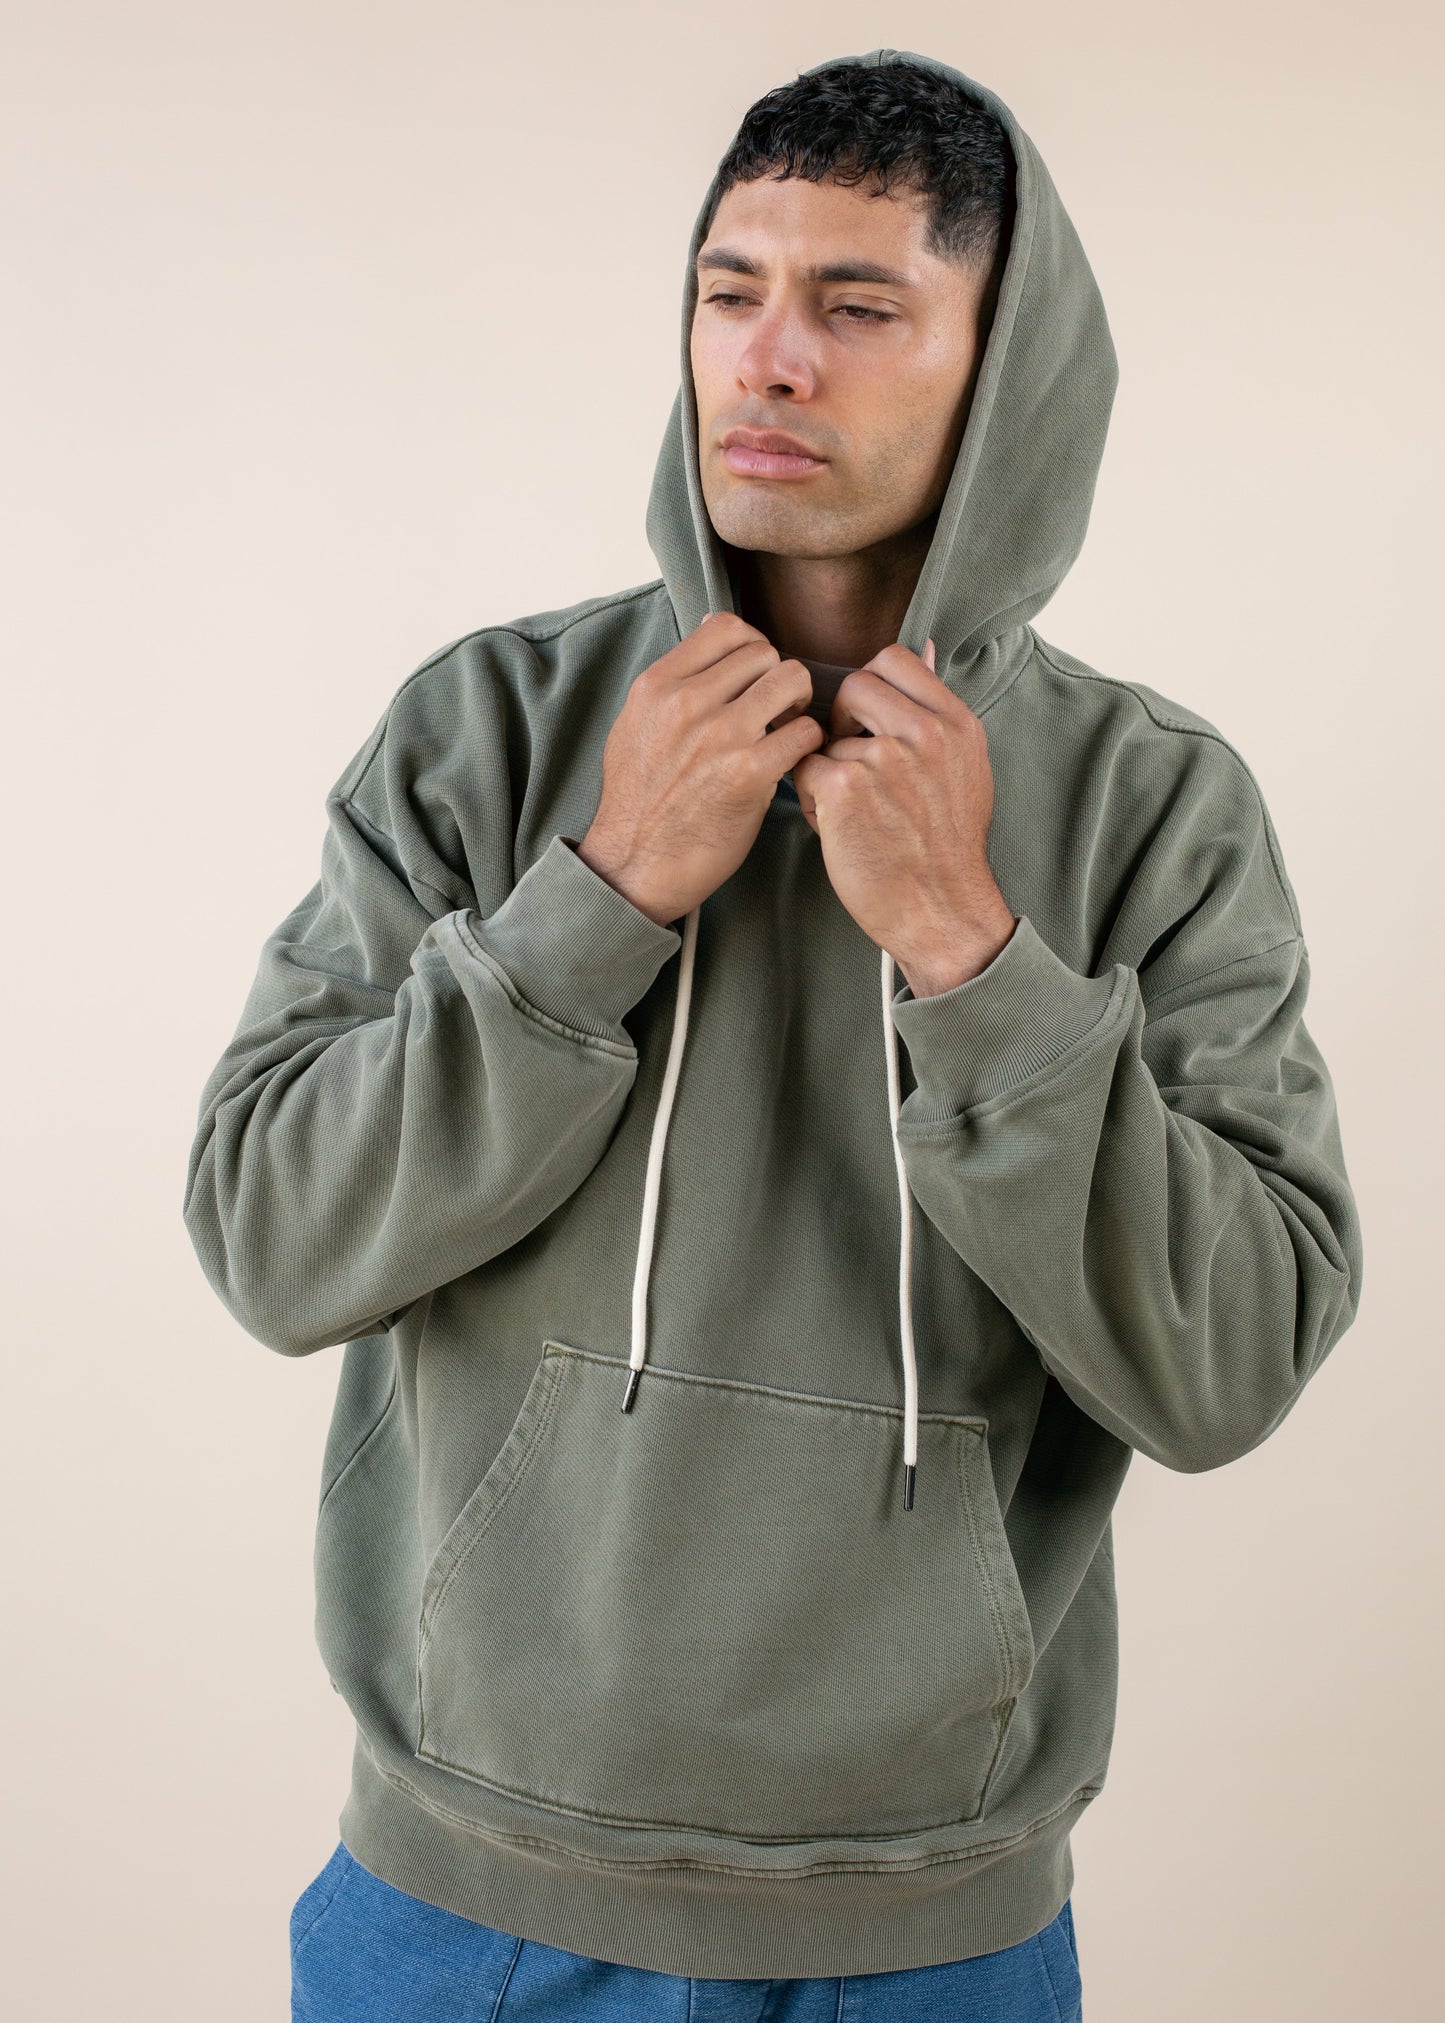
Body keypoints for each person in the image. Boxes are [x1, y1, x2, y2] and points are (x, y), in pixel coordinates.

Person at [183, 46, 1364, 2023]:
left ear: (1009, 372)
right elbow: (269, 1239)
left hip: (935, 1932)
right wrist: (595, 901)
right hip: (470, 1898)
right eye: (731, 293)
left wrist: (975, 956)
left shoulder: (1158, 808)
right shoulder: (488, 733)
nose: (769, 359)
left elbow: (1232, 1360)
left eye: (857, 303)